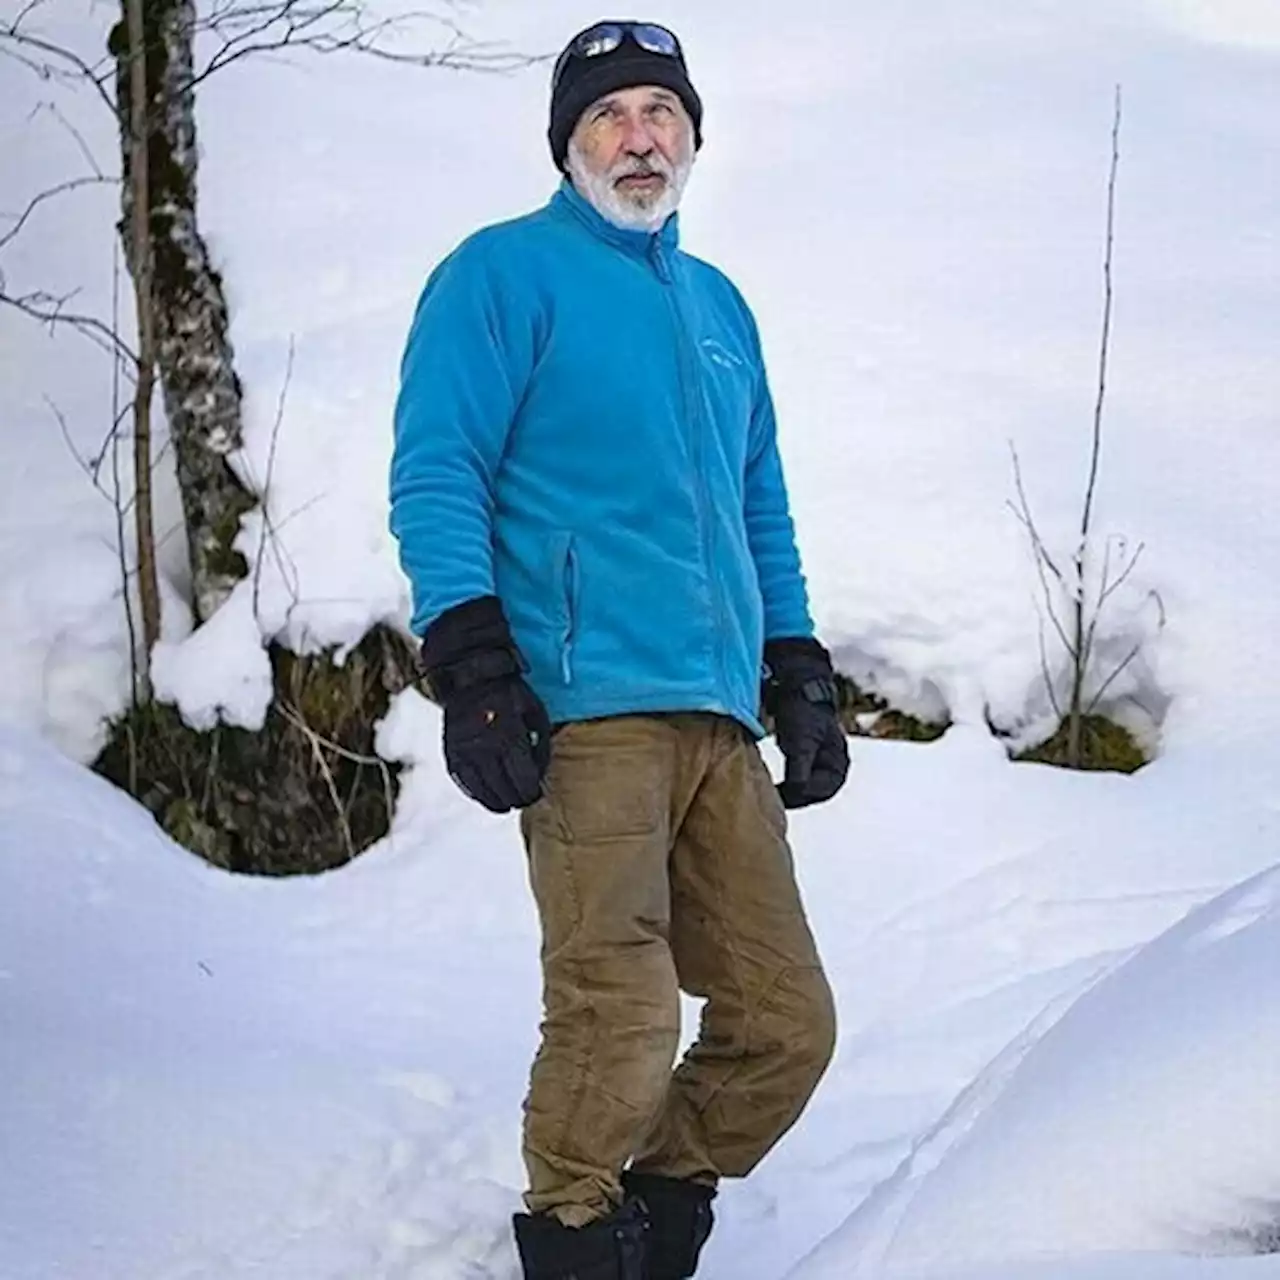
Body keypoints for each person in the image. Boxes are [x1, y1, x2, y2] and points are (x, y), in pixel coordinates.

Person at [389, 20, 849, 1280]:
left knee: (782, 1020)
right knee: (619, 1012)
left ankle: (659, 1196)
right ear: (569, 141)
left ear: (691, 136)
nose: (638, 136)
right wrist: (472, 658)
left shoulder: (717, 307)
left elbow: (759, 503)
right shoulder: (501, 276)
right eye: (609, 115)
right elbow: (438, 471)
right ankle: (577, 1236)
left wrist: (794, 662)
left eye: (660, 112)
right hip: (586, 711)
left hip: (717, 716)